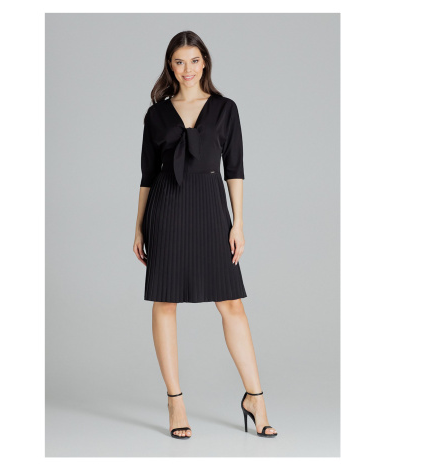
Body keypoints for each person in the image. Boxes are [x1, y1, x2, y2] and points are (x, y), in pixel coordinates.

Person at [133, 31, 278, 439]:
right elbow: (147, 175)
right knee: (165, 303)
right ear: (170, 66)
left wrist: (238, 223)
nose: (188, 69)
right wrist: (138, 226)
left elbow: (235, 168)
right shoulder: (156, 115)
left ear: (205, 63)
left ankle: (256, 398)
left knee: (231, 304)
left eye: (194, 60)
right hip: (166, 209)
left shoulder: (225, 109)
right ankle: (175, 402)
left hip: (212, 212)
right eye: (179, 62)